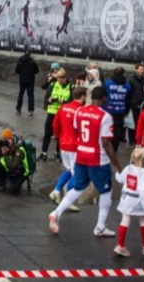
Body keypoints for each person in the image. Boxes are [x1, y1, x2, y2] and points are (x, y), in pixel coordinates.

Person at [48, 86, 121, 237]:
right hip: (98, 159)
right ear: (104, 99)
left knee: (78, 188)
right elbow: (107, 142)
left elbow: (76, 130)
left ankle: (56, 212)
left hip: (81, 155)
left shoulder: (80, 111)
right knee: (106, 191)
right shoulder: (105, 116)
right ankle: (100, 227)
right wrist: (117, 165)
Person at [113, 148, 144, 257]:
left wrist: (117, 172)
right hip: (138, 202)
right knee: (143, 221)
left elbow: (120, 179)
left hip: (126, 200)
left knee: (125, 220)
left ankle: (120, 246)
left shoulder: (127, 168)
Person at [48, 87, 87, 210]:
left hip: (63, 144)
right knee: (77, 173)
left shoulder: (63, 107)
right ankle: (67, 200)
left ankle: (57, 191)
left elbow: (55, 124)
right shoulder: (81, 110)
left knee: (70, 170)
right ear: (82, 97)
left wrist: (60, 137)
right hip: (75, 146)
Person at [38, 67, 71, 161]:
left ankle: (58, 153)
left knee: (60, 135)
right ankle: (44, 153)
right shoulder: (52, 85)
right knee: (47, 133)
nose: (59, 81)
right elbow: (47, 98)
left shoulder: (70, 87)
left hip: (63, 113)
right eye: (58, 79)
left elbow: (72, 101)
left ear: (65, 78)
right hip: (52, 112)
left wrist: (63, 102)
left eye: (61, 79)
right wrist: (50, 100)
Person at [104, 67, 131, 152]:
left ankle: (106, 146)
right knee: (117, 129)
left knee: (106, 128)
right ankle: (114, 147)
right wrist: (126, 110)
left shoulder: (107, 83)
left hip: (108, 109)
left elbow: (103, 95)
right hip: (120, 110)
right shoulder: (127, 85)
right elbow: (128, 99)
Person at [127, 63, 144, 146]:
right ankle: (131, 140)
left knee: (141, 123)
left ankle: (138, 139)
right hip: (134, 104)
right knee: (132, 123)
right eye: (140, 69)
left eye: (143, 69)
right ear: (136, 69)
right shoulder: (131, 80)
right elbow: (129, 92)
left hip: (143, 105)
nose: (141, 71)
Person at [14, 50, 39, 115]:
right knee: (30, 96)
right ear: (30, 54)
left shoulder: (20, 61)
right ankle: (30, 110)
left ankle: (18, 109)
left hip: (22, 80)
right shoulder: (33, 62)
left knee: (21, 95)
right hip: (30, 81)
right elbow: (36, 71)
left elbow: (16, 71)